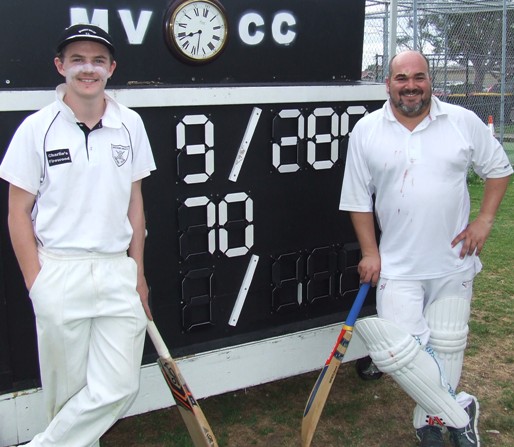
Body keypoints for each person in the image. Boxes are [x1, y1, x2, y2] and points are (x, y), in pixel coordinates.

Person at [339, 50, 512, 447]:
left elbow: (499, 169)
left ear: (430, 80)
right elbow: (357, 199)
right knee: (394, 354)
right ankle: (460, 409)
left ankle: (429, 420)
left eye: (419, 77)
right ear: (388, 84)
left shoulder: (462, 122)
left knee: (449, 347)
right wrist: (370, 252)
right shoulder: (367, 130)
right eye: (402, 78)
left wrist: (484, 220)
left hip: (453, 262)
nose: (411, 85)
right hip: (398, 265)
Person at [0, 24, 156, 446]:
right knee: (65, 396)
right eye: (78, 60)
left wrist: (137, 274)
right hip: (59, 270)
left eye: (98, 61)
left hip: (114, 270)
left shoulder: (131, 125)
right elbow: (18, 212)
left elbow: (134, 203)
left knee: (120, 387)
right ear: (60, 66)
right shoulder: (36, 128)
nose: (88, 69)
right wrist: (37, 282)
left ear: (111, 68)